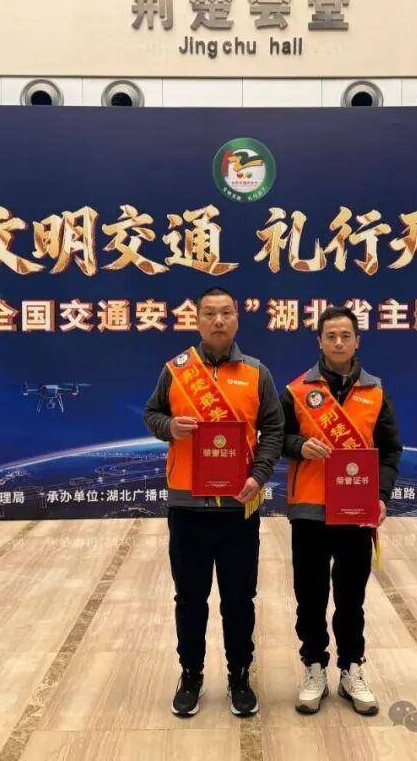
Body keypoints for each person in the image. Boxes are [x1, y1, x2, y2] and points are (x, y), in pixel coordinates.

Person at [143, 286, 284, 718]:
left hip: (239, 507)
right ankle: (191, 674)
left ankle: (240, 676)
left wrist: (259, 476)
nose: (218, 320)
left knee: (239, 599)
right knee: (190, 598)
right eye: (209, 313)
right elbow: (151, 415)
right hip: (187, 507)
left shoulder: (256, 372)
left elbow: (274, 429)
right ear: (197, 320)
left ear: (237, 318)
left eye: (225, 313)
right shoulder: (176, 370)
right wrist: (170, 427)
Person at [281, 305, 403, 716]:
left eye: (345, 336)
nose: (338, 342)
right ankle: (314, 666)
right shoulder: (297, 391)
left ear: (357, 341)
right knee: (310, 595)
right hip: (309, 510)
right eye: (330, 336)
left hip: (355, 509)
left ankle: (351, 667)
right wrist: (300, 447)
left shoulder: (376, 391)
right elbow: (275, 439)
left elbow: (390, 450)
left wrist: (380, 495)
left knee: (351, 597)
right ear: (319, 341)